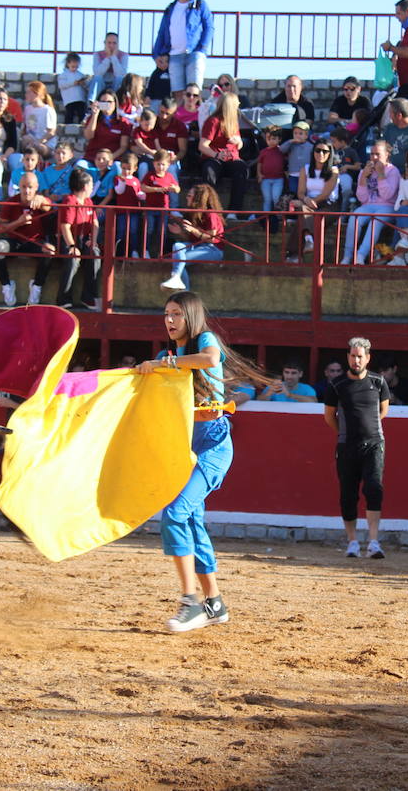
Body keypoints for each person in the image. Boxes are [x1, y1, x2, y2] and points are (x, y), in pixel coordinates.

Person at [135, 291, 253, 632]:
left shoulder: (204, 340)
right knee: (192, 521)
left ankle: (189, 603)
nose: (169, 320)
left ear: (190, 316)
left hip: (214, 444)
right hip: (184, 447)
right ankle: (214, 603)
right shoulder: (165, 354)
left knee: (175, 513)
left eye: (176, 314)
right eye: (166, 314)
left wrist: (162, 365)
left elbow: (209, 358)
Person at [323, 336, 391, 560]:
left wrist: (368, 432)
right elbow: (329, 417)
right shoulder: (337, 385)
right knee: (348, 495)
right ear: (348, 357)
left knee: (374, 489)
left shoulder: (378, 382)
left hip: (373, 443)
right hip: (347, 445)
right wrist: (345, 433)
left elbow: (383, 412)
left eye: (360, 356)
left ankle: (373, 541)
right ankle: (352, 541)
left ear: (368, 358)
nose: (356, 360)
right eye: (352, 356)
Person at [0, 171, 56, 307]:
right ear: (19, 186)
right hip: (14, 241)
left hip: (35, 241)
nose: (27, 191)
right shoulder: (12, 201)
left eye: (30, 187)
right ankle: (6, 285)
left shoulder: (40, 200)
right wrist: (18, 222)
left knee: (50, 250)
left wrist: (42, 200)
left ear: (36, 187)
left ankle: (37, 286)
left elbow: (50, 207)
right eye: (23, 187)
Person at [151, 0, 213, 104]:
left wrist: (202, 47)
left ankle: (195, 120)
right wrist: (156, 54)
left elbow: (209, 27)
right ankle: (181, 121)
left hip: (194, 53)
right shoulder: (170, 8)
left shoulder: (200, 5)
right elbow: (162, 32)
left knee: (194, 90)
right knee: (177, 92)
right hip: (174, 55)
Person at [344, 140, 401, 265]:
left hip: (388, 206)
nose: (374, 157)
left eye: (378, 154)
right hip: (368, 205)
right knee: (355, 217)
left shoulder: (393, 171)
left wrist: (380, 174)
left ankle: (360, 255)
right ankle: (347, 256)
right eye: (372, 154)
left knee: (376, 220)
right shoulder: (366, 170)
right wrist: (363, 177)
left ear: (387, 155)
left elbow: (387, 195)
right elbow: (362, 198)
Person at [161, 183, 225, 292]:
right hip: (198, 247)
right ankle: (177, 280)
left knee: (178, 259)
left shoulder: (210, 214)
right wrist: (180, 232)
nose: (186, 197)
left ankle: (183, 289)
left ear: (197, 198)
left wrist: (193, 230)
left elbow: (211, 238)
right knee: (177, 246)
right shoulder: (194, 214)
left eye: (190, 196)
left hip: (213, 249)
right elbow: (192, 239)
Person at [55, 168, 100, 310]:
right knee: (73, 258)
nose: (93, 187)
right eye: (91, 184)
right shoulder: (69, 200)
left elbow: (95, 223)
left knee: (95, 253)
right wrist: (72, 246)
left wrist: (93, 240)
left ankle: (88, 296)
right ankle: (63, 298)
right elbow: (65, 227)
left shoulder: (88, 201)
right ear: (85, 186)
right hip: (68, 240)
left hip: (84, 239)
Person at [199, 92, 249, 214]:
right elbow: (202, 146)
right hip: (214, 158)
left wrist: (238, 142)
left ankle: (234, 210)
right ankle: (210, 209)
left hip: (231, 159)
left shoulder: (234, 122)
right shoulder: (213, 121)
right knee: (210, 171)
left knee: (242, 169)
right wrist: (217, 155)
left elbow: (239, 144)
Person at [21, 80, 59, 159]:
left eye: (29, 92)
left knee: (37, 147)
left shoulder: (48, 110)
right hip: (30, 141)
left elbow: (51, 132)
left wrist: (38, 142)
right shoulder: (27, 109)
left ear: (37, 93)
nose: (26, 95)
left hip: (45, 144)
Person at [88, 32, 130, 99]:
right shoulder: (97, 54)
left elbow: (121, 73)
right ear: (105, 43)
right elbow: (97, 73)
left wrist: (113, 57)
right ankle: (92, 103)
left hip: (115, 81)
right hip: (102, 81)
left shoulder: (124, 55)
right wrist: (107, 58)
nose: (111, 45)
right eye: (109, 43)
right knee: (97, 78)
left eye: (114, 43)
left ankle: (118, 102)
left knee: (120, 79)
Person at [57, 54, 90, 125]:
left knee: (81, 113)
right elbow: (61, 85)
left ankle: (82, 126)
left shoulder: (80, 74)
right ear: (68, 64)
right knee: (69, 114)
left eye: (76, 67)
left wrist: (83, 83)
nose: (75, 68)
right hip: (69, 100)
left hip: (80, 99)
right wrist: (73, 83)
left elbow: (87, 87)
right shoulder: (63, 75)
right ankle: (67, 128)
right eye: (73, 67)